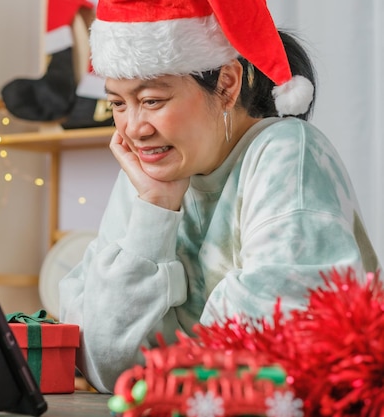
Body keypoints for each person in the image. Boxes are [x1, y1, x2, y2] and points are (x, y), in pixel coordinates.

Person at [58, 0, 380, 393]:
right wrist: (156, 208)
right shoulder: (147, 180)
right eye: (118, 104)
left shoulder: (287, 151)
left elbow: (271, 349)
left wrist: (155, 364)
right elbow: (108, 359)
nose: (133, 129)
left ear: (227, 85)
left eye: (152, 100)